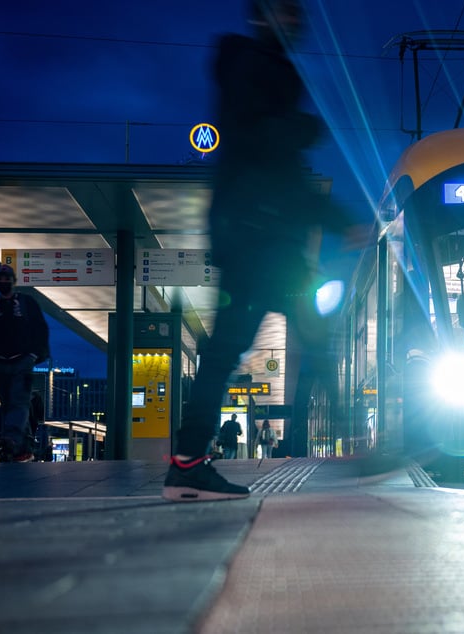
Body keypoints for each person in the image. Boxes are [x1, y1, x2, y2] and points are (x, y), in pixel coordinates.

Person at [162, 0, 357, 501]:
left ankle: (187, 462)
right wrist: (304, 129)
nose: (295, 22)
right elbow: (260, 146)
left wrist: (337, 221)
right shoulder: (249, 64)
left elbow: (284, 171)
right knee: (291, 340)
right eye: (284, 12)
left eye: (298, 14)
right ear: (260, 15)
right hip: (256, 237)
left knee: (288, 340)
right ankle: (189, 463)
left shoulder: (269, 68)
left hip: (265, 238)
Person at [0, 264, 50, 463]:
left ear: (13, 281)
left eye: (6, 278)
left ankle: (11, 438)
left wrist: (35, 353)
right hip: (0, 362)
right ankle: (23, 447)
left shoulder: (26, 304)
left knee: (18, 401)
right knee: (9, 404)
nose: (3, 282)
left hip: (23, 360)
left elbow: (40, 328)